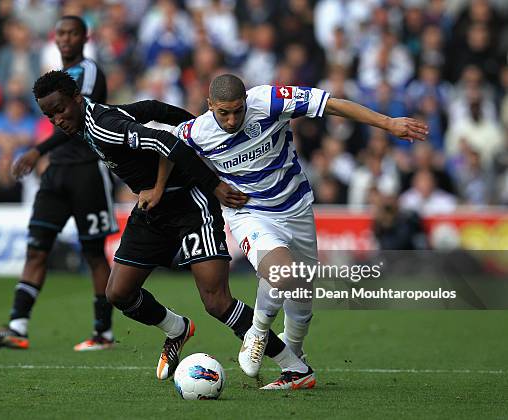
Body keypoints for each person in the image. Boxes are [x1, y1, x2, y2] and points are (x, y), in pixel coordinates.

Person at [27, 70, 311, 389]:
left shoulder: (102, 125)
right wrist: (195, 126)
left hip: (190, 203)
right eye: (49, 115)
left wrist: (212, 184)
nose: (56, 119)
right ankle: (177, 329)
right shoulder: (92, 118)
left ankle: (294, 366)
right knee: (118, 293)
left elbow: (166, 140)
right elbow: (153, 109)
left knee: (217, 302)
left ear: (77, 98)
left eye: (60, 109)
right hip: (152, 208)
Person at [166, 74, 428, 388]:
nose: (232, 119)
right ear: (210, 106)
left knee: (301, 296)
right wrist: (159, 190)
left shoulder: (271, 101)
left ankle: (296, 368)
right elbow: (167, 149)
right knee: (282, 274)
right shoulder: (198, 131)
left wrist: (387, 124)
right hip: (249, 213)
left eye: (238, 110)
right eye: (224, 113)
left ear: (247, 100)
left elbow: (331, 105)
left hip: (297, 207)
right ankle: (258, 331)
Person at [0, 16, 116, 352]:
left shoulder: (90, 71)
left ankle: (103, 333)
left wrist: (37, 150)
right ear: (55, 39)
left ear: (85, 37)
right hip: (56, 172)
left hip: (87, 170)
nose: (66, 39)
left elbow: (75, 117)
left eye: (73, 33)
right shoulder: (55, 77)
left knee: (94, 254)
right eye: (61, 34)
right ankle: (17, 326)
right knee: (36, 248)